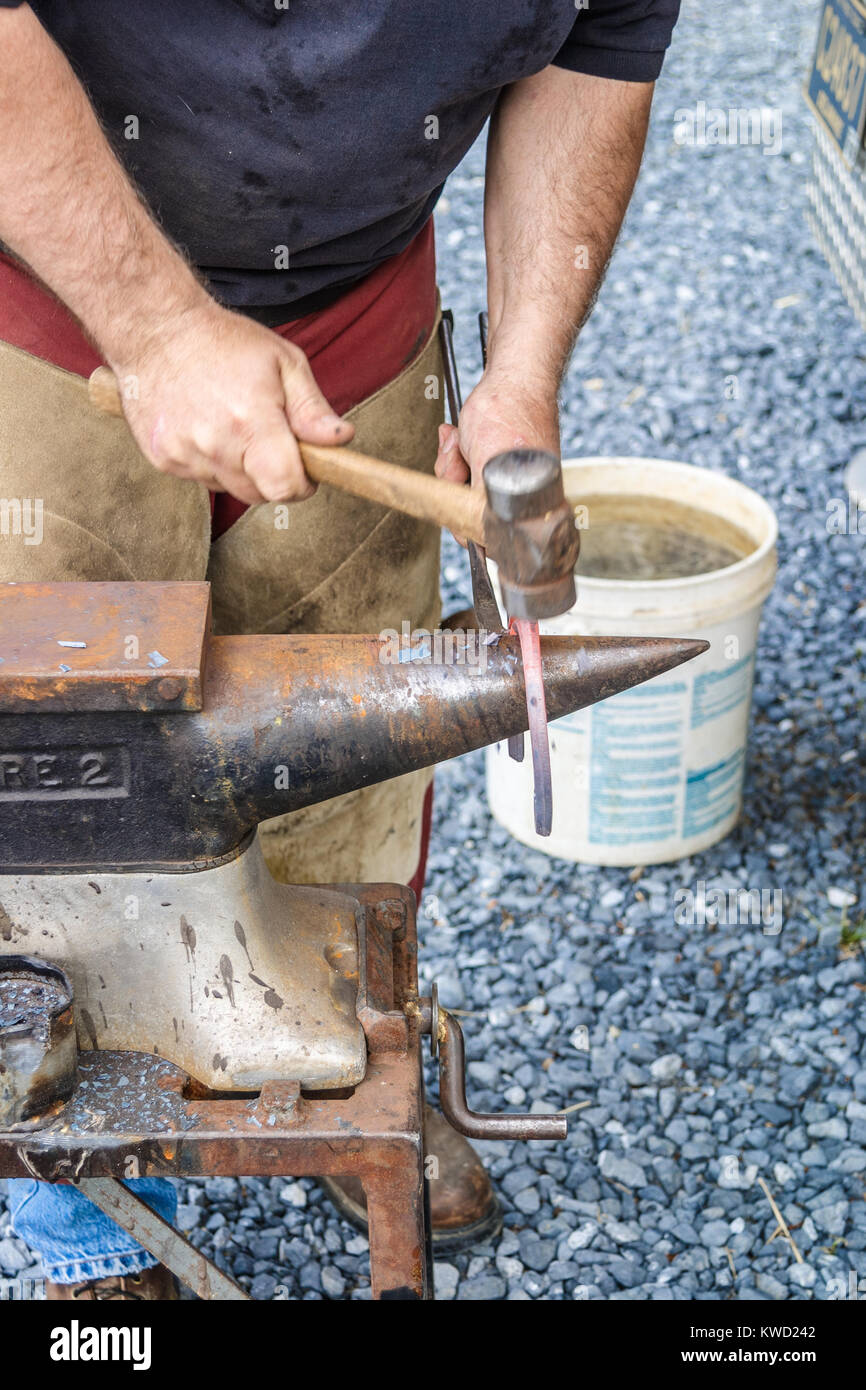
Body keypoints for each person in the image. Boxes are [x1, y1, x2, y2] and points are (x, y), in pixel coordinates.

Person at [0, 0, 680, 1299]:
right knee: (58, 786)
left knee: (348, 775)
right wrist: (157, 331)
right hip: (39, 305)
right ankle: (85, 1196)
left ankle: (320, 1057)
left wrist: (519, 378)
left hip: (361, 307)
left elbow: (592, 58)